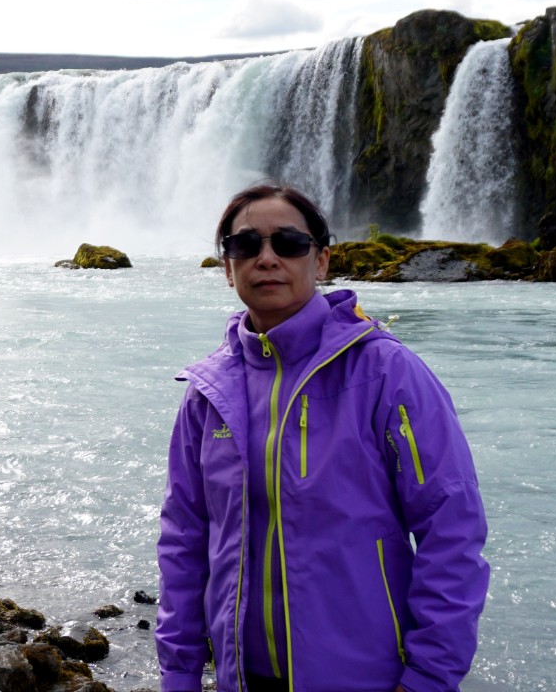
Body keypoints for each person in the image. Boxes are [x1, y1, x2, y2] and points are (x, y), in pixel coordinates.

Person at [157, 183, 489, 692]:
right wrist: (178, 673)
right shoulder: (209, 393)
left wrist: (429, 676)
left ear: (322, 261)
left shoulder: (386, 373)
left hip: (368, 678)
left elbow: (452, 528)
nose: (267, 258)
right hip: (241, 677)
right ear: (227, 267)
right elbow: (185, 540)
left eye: (288, 243)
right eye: (246, 245)